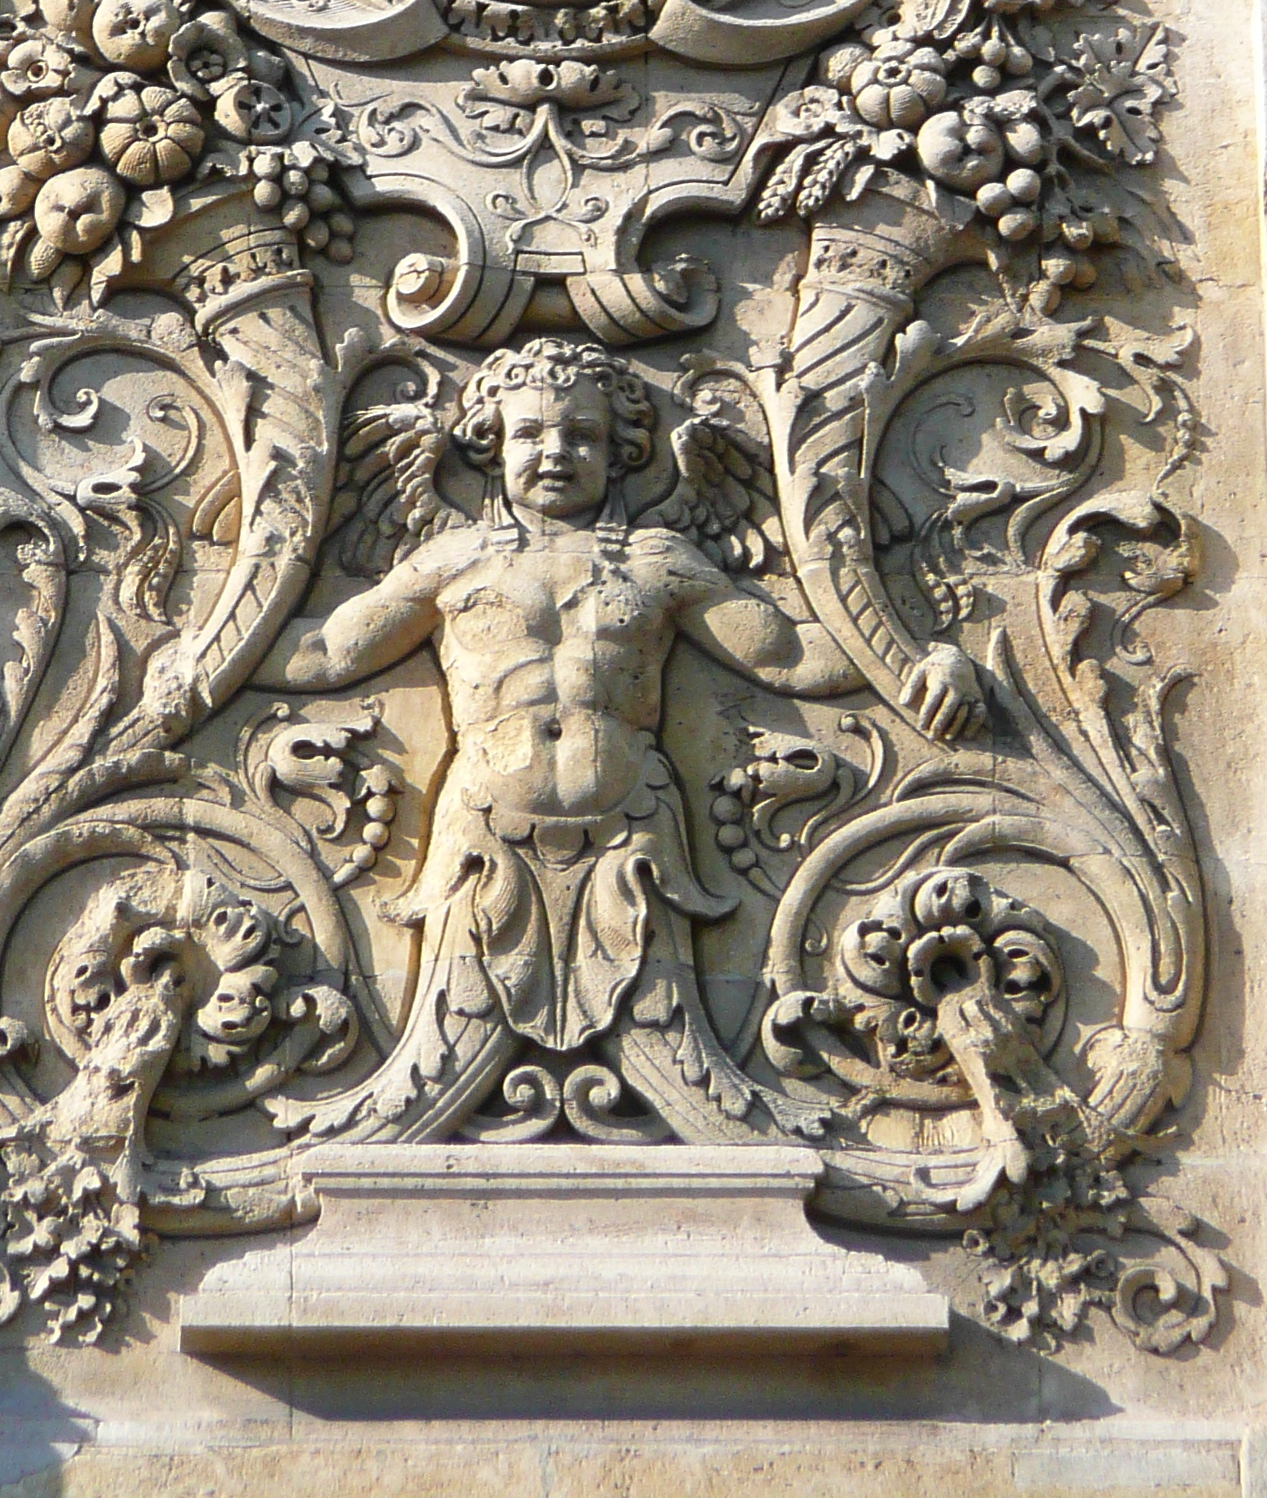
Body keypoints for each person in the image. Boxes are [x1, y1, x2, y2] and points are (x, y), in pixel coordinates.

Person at [265, 336, 861, 1141]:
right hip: (487, 828)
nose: (556, 453)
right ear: (491, 445)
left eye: (581, 435)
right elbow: (332, 650)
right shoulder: (455, 560)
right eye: (531, 434)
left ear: (620, 453)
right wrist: (201, 660)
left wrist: (913, 660)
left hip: (632, 830)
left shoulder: (659, 561)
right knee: (443, 1045)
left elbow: (786, 656)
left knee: (675, 1047)